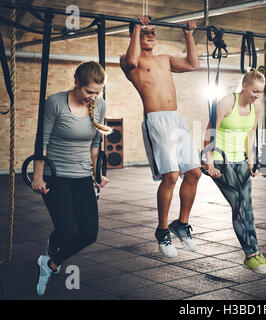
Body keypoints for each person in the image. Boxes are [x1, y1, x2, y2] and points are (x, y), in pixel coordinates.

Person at [120, 16, 201, 258]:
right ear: (135, 34)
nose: (151, 35)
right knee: (171, 175)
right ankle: (163, 229)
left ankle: (181, 224)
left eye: (153, 31)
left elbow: (192, 64)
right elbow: (132, 58)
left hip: (176, 118)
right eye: (146, 32)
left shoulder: (164, 59)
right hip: (156, 120)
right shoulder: (127, 61)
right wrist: (136, 28)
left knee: (195, 172)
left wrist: (188, 34)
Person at [32, 61, 112, 296]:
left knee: (89, 234)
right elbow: (42, 141)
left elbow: (96, 144)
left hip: (82, 177)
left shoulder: (100, 105)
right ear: (76, 82)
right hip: (55, 177)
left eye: (97, 92)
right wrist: (38, 177)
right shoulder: (55, 103)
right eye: (89, 91)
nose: (92, 97)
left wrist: (97, 175)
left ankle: (49, 263)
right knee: (66, 233)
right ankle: (54, 248)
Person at [203, 69, 266, 274]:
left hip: (239, 161)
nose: (256, 95)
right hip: (221, 160)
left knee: (248, 207)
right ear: (244, 86)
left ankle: (255, 252)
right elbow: (209, 134)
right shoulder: (226, 103)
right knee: (239, 206)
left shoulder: (256, 107)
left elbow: (251, 134)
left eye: (260, 92)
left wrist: (252, 161)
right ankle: (251, 255)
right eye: (254, 91)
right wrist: (210, 164)